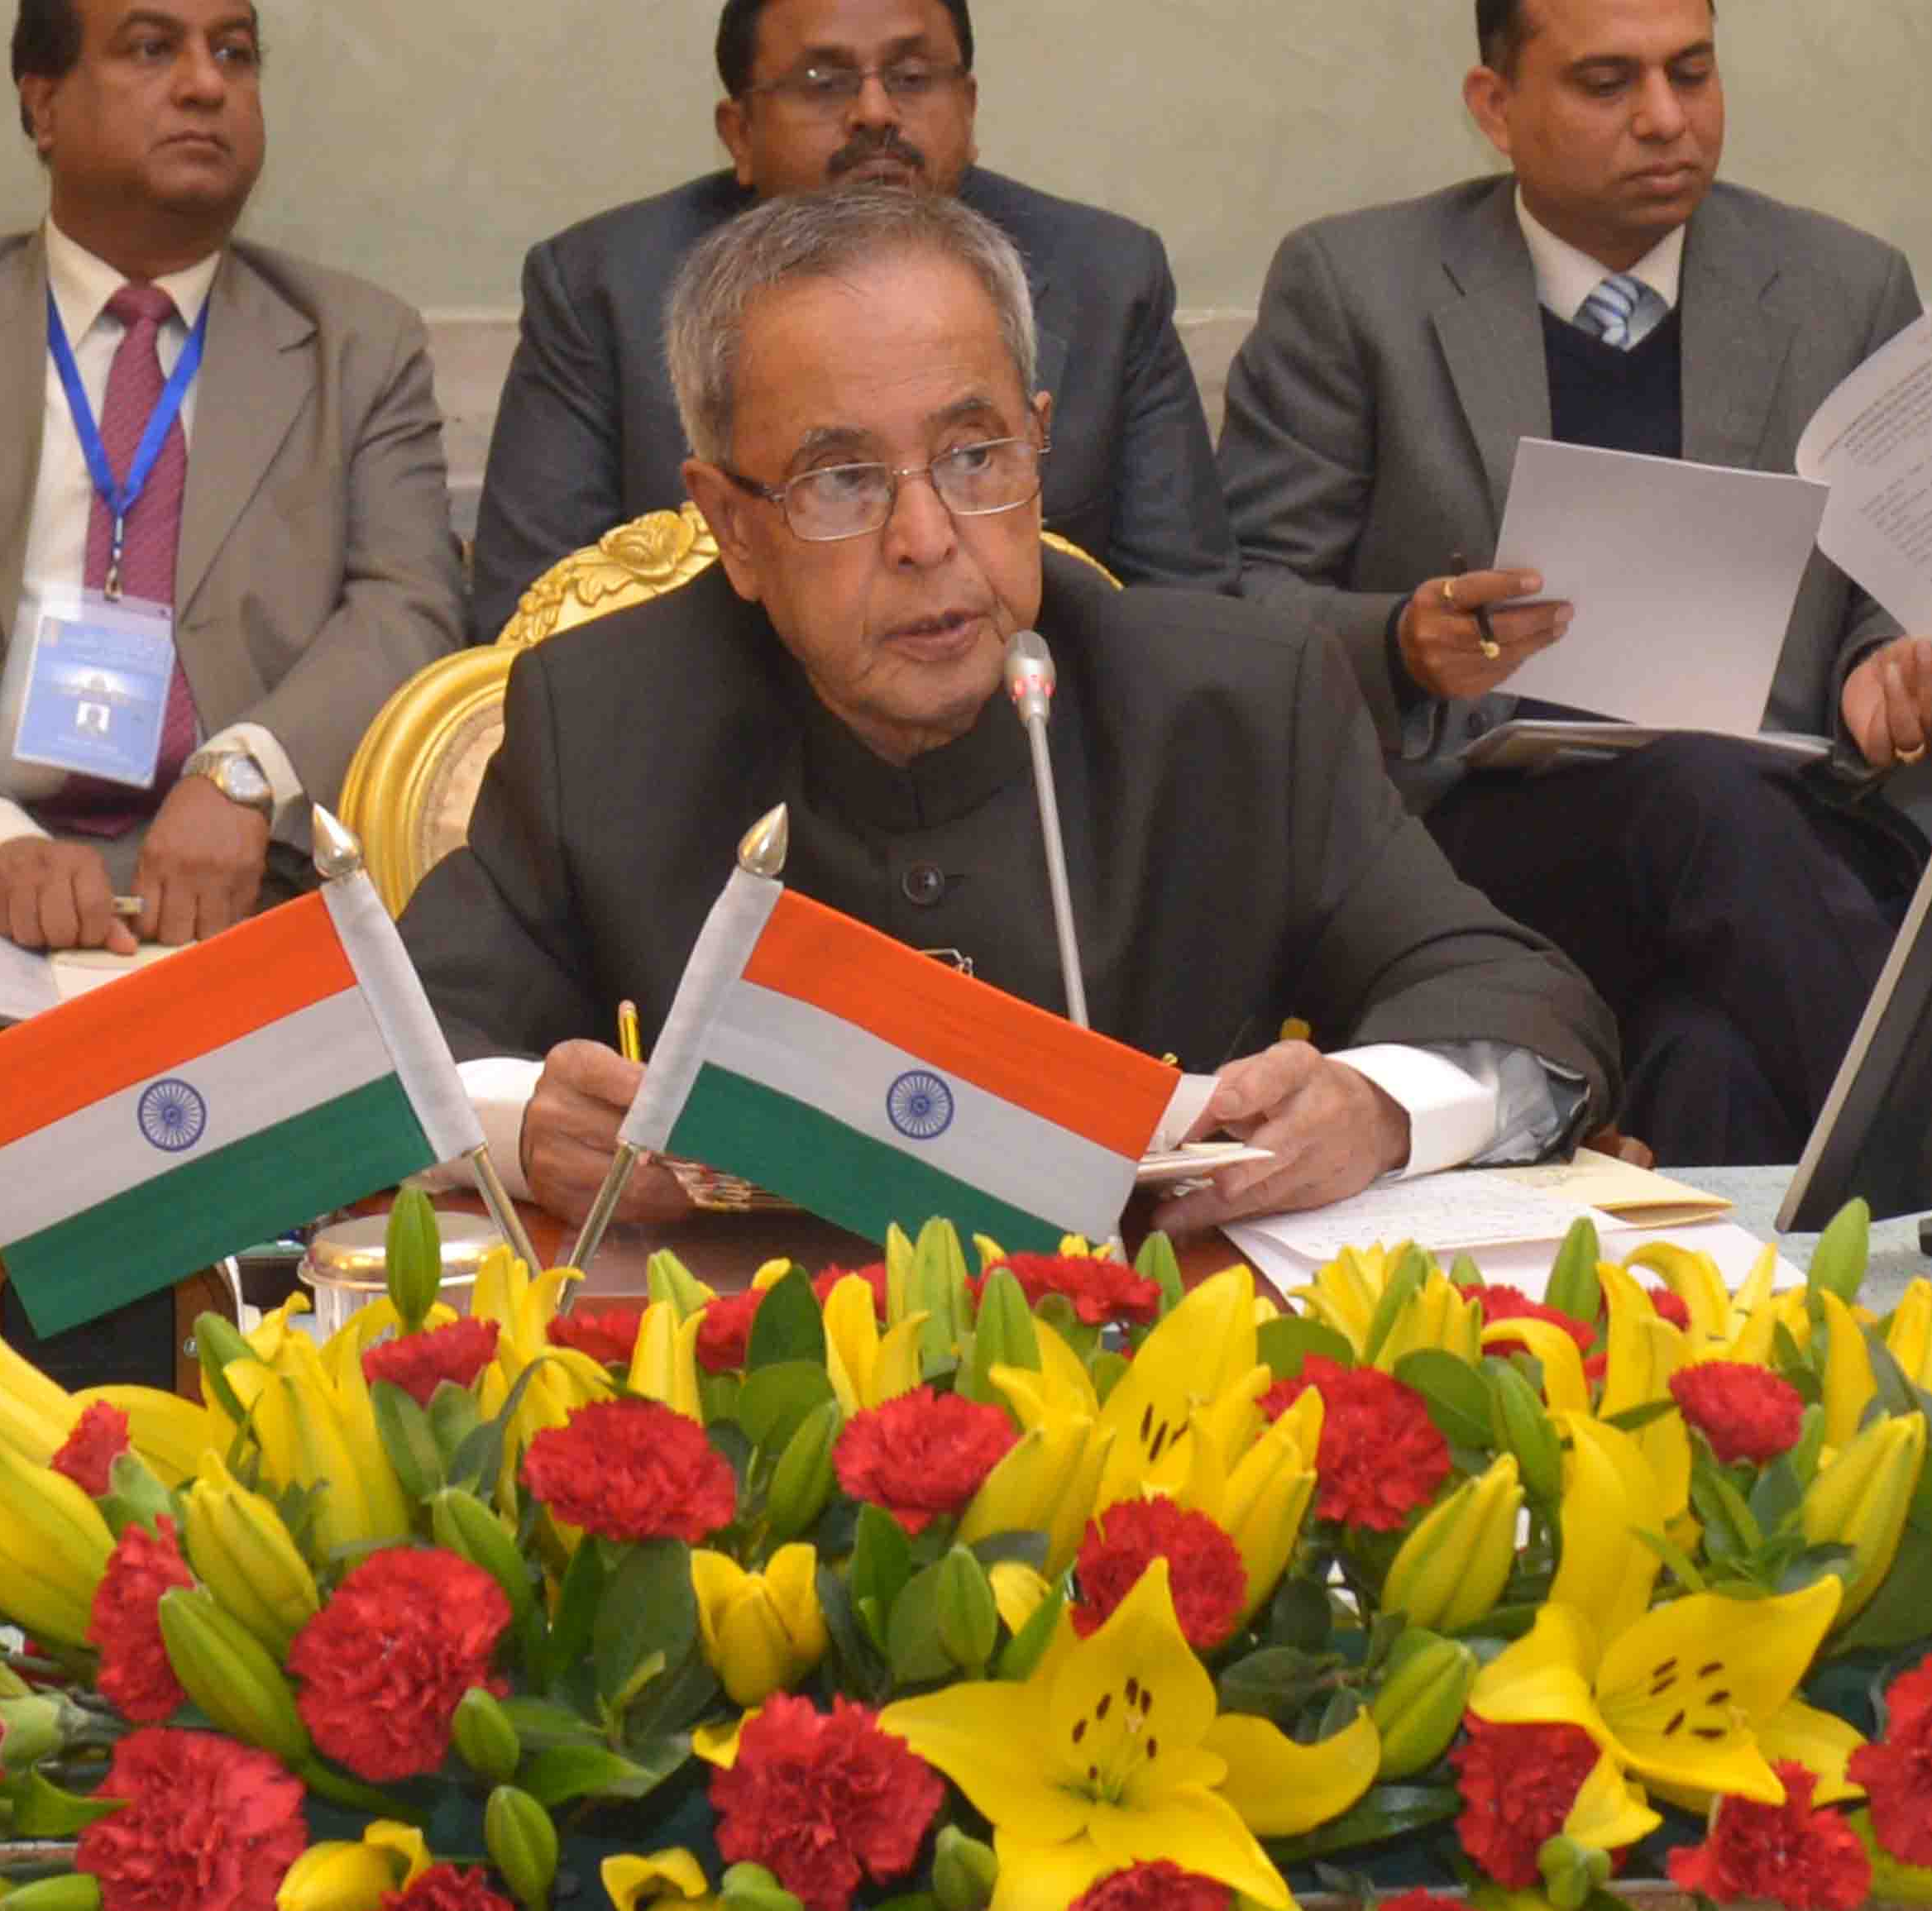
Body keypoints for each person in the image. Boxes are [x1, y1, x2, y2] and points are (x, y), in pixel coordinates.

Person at [407, 187, 1609, 1244]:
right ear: (731, 524)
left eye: (977, 456)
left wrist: (1378, 1108)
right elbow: (391, 1045)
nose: (929, 541)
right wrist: (525, 1124)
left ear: (1039, 440)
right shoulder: (606, 717)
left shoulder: (1239, 699)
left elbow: (1523, 1005)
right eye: (842, 481)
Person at [1218, 0, 1932, 1160]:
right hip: (1483, 834)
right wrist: (1400, 641)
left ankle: (1721, 1329)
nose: (1666, 119)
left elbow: (1902, 577)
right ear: (1495, 105)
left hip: (1779, 840)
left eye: (1693, 72)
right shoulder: (1359, 289)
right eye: (1608, 83)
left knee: (1709, 1062)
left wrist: (1883, 665)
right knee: (1697, 794)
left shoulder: (1844, 285)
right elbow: (1238, 606)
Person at [0, 0, 466, 1161]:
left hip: (259, 877)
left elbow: (409, 610)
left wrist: (243, 777)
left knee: (285, 1109)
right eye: (151, 49)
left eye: (235, 54)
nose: (206, 84)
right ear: (43, 104)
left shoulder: (359, 345)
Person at [478, 0, 1224, 623]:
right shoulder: (599, 289)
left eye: (911, 75)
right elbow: (531, 619)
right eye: (822, 81)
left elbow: (1190, 609)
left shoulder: (1109, 278)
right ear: (739, 133)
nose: (874, 112)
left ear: (967, 110)